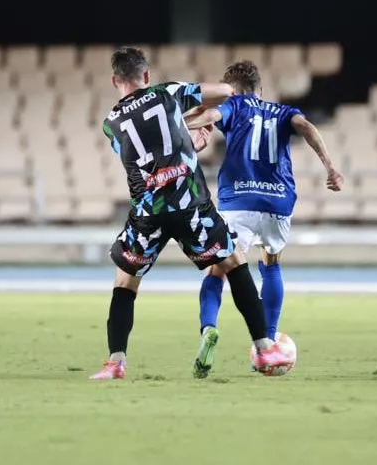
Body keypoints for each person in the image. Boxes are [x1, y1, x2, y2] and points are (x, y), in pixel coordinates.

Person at [90, 48, 296, 381]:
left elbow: (145, 157)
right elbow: (226, 91)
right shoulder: (166, 93)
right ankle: (264, 347)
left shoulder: (111, 124)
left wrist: (181, 141)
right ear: (145, 76)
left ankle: (115, 361)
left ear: (115, 80)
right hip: (189, 203)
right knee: (233, 263)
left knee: (125, 283)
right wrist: (194, 130)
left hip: (147, 211)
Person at [183, 60, 344, 379]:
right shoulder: (283, 111)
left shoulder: (233, 106)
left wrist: (181, 120)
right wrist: (329, 167)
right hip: (277, 200)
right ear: (260, 89)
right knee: (271, 265)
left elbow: (209, 116)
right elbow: (307, 127)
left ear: (232, 89)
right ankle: (267, 342)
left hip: (238, 200)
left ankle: (209, 329)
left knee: (218, 271)